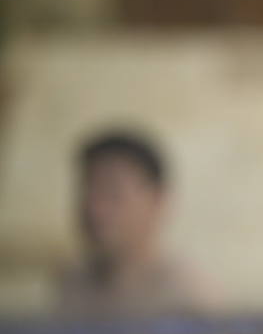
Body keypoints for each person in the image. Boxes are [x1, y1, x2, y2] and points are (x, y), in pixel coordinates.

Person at [59, 131, 215, 318]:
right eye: (88, 191)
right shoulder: (73, 284)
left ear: (157, 200)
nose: (95, 210)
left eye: (112, 193)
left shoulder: (190, 299)